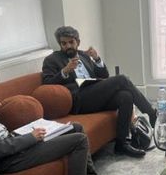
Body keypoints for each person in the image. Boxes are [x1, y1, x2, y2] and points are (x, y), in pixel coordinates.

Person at [42, 26, 156, 157]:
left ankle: (121, 144)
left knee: (126, 96)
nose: (68, 46)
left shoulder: (84, 56)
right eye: (64, 43)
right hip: (78, 100)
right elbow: (47, 83)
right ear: (60, 44)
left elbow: (104, 75)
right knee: (122, 79)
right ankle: (152, 113)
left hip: (94, 94)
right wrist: (65, 71)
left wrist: (97, 59)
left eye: (71, 42)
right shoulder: (52, 60)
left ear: (77, 42)